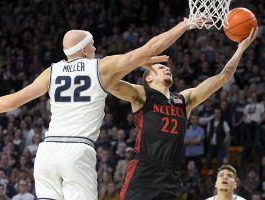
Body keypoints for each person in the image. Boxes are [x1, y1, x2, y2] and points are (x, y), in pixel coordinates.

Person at [0, 18, 198, 200]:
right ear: (84, 50)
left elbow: (13, 101)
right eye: (92, 45)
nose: (95, 48)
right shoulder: (99, 67)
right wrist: (185, 24)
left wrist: (135, 63)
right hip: (77, 150)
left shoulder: (52, 72)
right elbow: (150, 47)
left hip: (47, 152)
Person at [108, 28, 258, 200]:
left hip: (171, 175)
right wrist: (137, 61)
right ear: (148, 78)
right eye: (159, 67)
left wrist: (241, 48)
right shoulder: (142, 95)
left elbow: (223, 77)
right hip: (144, 171)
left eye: (166, 67)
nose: (166, 69)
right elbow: (109, 81)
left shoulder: (184, 100)